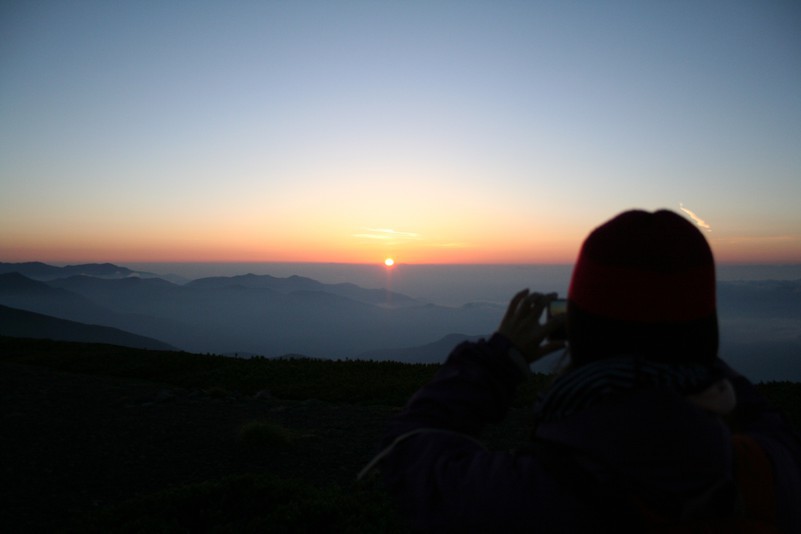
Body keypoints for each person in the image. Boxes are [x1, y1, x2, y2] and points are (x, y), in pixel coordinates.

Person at [361, 209, 801, 532]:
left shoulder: (530, 500)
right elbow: (769, 422)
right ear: (704, 337)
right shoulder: (772, 476)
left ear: (579, 331)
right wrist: (680, 349)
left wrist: (500, 358)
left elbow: (409, 450)